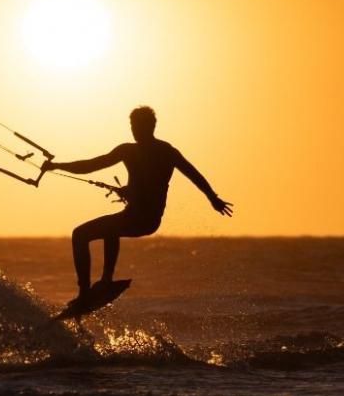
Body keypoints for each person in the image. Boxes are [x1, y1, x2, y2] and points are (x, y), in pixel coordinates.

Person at [41, 106, 232, 301]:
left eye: (138, 125)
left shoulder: (166, 152)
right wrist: (57, 166)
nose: (134, 130)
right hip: (133, 216)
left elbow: (193, 174)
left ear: (151, 126)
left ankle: (94, 287)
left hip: (146, 220)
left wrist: (212, 198)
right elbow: (92, 165)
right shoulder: (130, 151)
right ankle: (95, 286)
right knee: (96, 231)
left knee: (94, 231)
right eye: (132, 125)